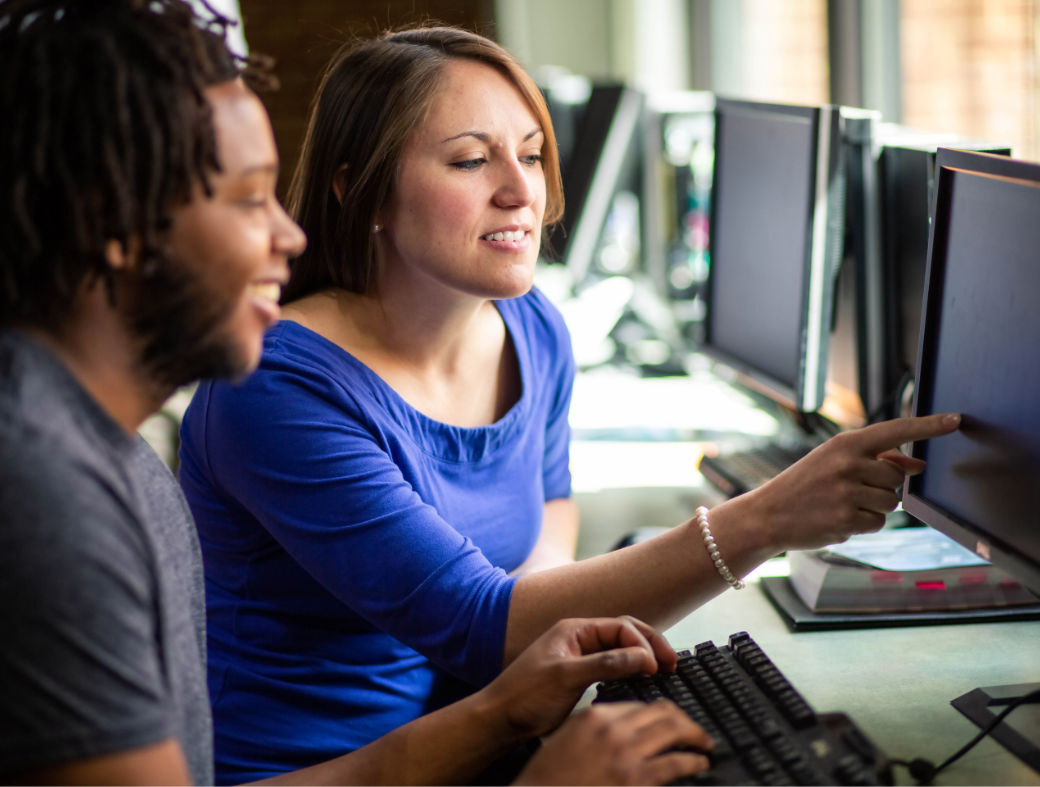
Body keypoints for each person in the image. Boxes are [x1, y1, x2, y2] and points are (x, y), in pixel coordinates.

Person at [176, 22, 964, 786]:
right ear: (361, 192)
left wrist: (550, 623)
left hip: (489, 745)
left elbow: (549, 513)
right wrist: (765, 519)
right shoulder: (275, 387)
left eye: (530, 153)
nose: (522, 191)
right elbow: (477, 624)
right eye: (470, 160)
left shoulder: (533, 328)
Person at [0, 2, 714, 786]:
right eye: (246, 199)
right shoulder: (48, 500)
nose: (290, 235)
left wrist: (503, 714)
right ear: (116, 223)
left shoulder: (104, 453)